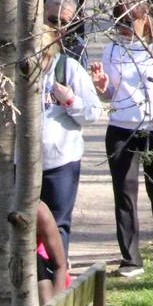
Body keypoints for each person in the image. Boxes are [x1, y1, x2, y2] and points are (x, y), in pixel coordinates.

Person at [89, 0, 153, 276]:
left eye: (128, 22)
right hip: (121, 129)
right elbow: (109, 95)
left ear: (144, 19)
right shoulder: (111, 51)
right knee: (124, 193)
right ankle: (131, 259)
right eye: (118, 22)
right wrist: (101, 88)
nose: (122, 28)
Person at [38, 24, 101, 259]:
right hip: (22, 163)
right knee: (25, 224)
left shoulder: (68, 69)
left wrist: (70, 100)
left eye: (42, 53)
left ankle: (58, 277)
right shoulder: (18, 72)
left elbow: (93, 113)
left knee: (57, 224)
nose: (38, 61)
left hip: (61, 162)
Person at [44, 0, 88, 66]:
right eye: (53, 20)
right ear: (43, 13)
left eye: (64, 23)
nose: (58, 27)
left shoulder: (76, 47)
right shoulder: (29, 40)